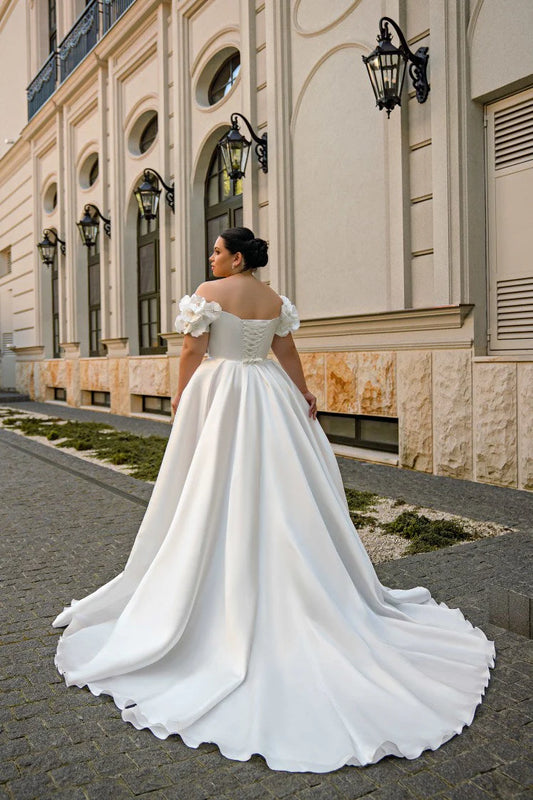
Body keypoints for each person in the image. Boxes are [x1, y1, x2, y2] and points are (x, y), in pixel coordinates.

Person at [53, 227, 495, 774]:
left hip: (221, 392)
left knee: (213, 483)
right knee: (284, 485)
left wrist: (181, 395)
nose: (211, 257)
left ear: (236, 257)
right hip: (268, 393)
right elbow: (287, 351)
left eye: (218, 250)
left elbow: (192, 349)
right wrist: (305, 393)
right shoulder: (274, 300)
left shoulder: (208, 294)